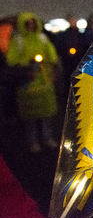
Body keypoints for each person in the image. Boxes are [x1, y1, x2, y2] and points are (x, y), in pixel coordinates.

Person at [6, 12, 59, 153]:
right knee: (30, 115)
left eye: (32, 22)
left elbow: (51, 53)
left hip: (44, 79)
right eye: (27, 23)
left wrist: (52, 66)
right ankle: (33, 141)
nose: (30, 25)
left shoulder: (42, 38)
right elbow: (11, 59)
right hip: (27, 81)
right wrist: (26, 63)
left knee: (46, 112)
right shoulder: (18, 41)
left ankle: (47, 138)